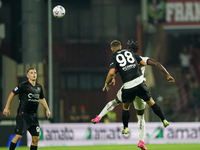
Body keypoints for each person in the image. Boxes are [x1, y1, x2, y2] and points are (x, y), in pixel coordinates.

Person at [92, 40, 175, 150]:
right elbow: (155, 63)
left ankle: (101, 117)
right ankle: (142, 140)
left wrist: (111, 79)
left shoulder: (124, 57)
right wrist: (167, 74)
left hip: (128, 87)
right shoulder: (141, 58)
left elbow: (117, 69)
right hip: (140, 86)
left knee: (115, 102)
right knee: (141, 116)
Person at [3, 67, 51, 150]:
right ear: (27, 75)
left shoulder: (39, 87)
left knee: (36, 138)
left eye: (35, 73)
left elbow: (42, 98)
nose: (34, 74)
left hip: (33, 117)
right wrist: (7, 107)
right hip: (23, 115)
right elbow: (12, 93)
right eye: (31, 73)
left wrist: (47, 109)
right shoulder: (23, 85)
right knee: (18, 136)